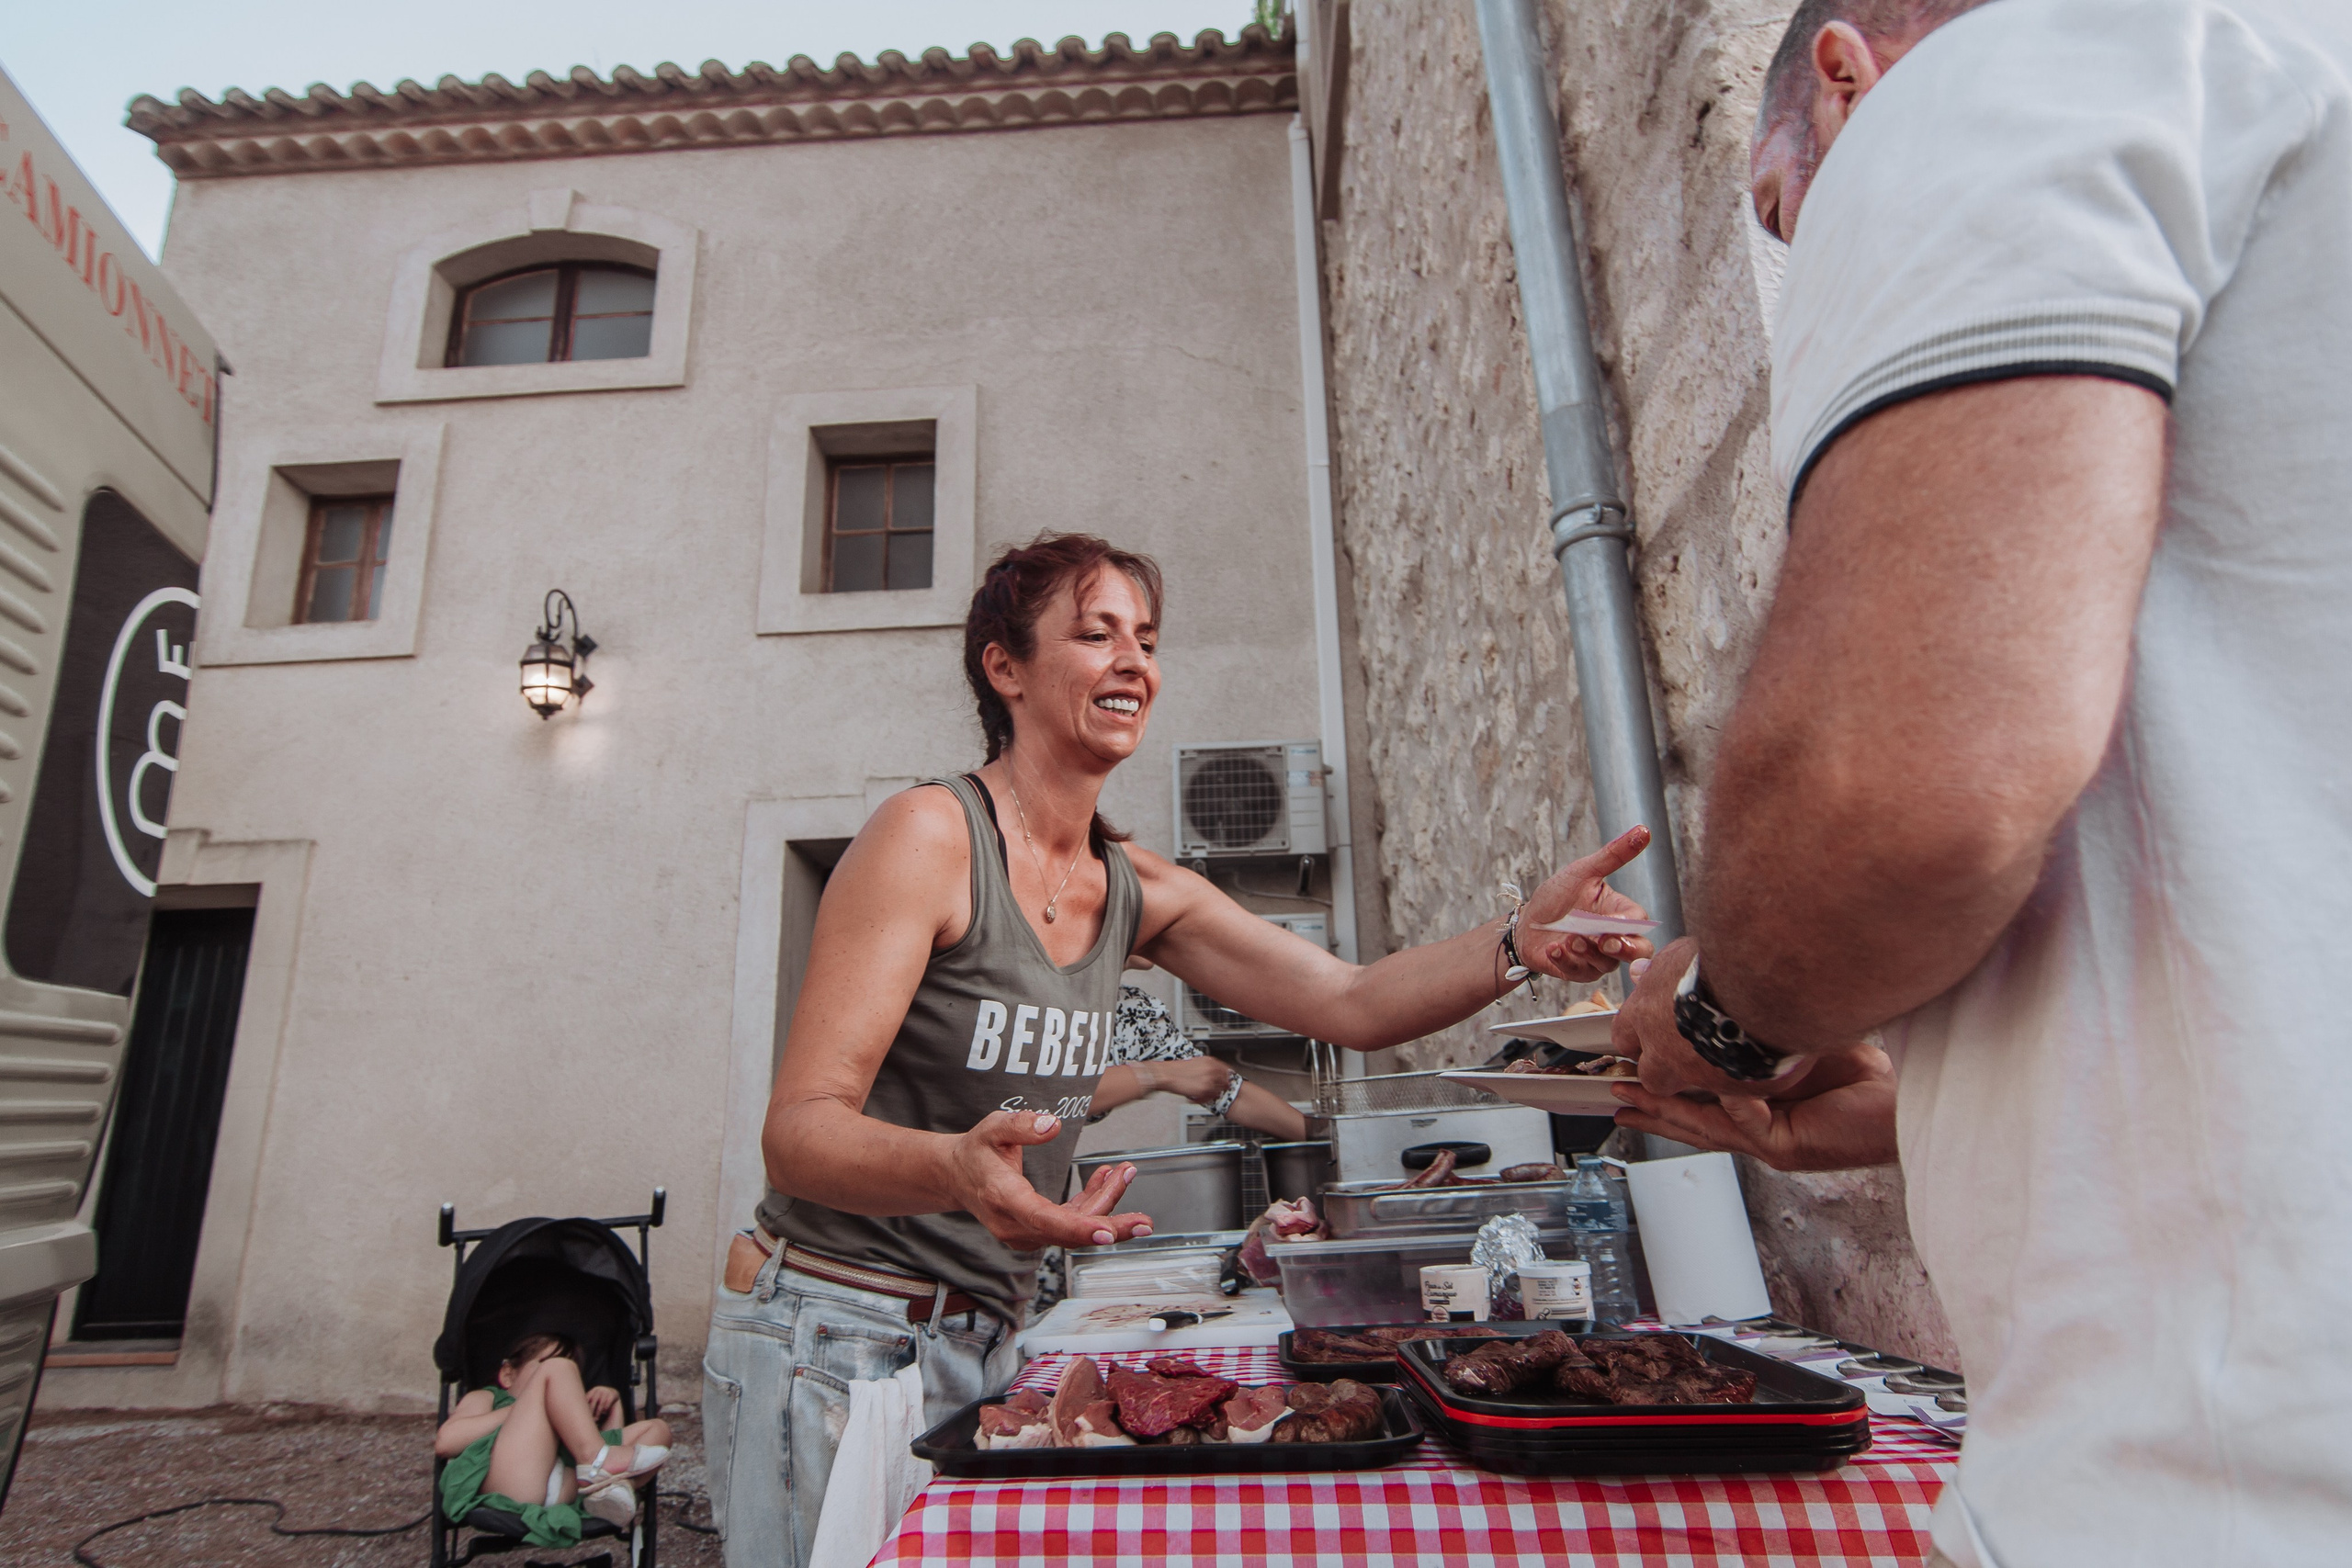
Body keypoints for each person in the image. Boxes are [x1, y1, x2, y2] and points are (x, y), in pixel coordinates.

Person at [1605, 3, 2352, 1565]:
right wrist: (1922, 1109)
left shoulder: (1991, 84)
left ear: (1839, 77)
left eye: (1779, 213)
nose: (1803, 255)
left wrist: (1725, 1009)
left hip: (2215, 1481)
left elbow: (1896, 794)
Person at [706, 532, 1654, 1567]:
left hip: (980, 1338)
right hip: (835, 1333)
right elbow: (797, 1136)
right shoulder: (929, 837)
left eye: (1146, 639)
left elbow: (1351, 999)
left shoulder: (1132, 885)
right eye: (1095, 633)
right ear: (1005, 668)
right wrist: (953, 1170)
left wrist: (1518, 940)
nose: (1133, 662)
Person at [435, 1332, 672, 1542]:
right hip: (516, 1484)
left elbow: (610, 1439)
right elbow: (446, 1443)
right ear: (508, 1374)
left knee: (659, 1431)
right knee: (559, 1369)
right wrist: (520, 1408)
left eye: (570, 1383)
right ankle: (597, 1460)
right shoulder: (487, 1398)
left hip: (571, 1488)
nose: (563, 1385)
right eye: (542, 1367)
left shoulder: (570, 1416)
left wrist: (612, 1405)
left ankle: (610, 1489)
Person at [1085, 975, 1310, 1142]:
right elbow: (1055, 1096)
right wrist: (1157, 1074)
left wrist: (1329, 1138)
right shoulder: (1057, 991)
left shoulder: (1135, 1009)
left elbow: (1229, 1093)